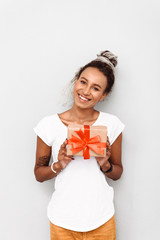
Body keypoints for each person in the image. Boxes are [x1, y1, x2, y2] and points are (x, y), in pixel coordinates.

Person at [33, 50, 125, 240]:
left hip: (102, 219)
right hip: (62, 221)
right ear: (76, 81)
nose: (85, 91)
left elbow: (117, 173)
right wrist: (59, 164)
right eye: (83, 82)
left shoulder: (112, 124)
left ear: (103, 95)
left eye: (96, 88)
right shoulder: (48, 125)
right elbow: (38, 174)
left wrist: (105, 164)